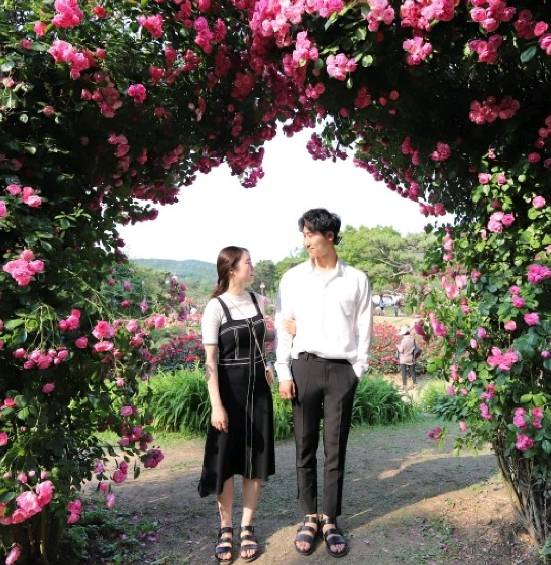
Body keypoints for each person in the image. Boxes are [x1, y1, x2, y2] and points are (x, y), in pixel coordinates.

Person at [275, 209, 373, 558]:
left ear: (329, 236)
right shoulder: (292, 278)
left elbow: (364, 327)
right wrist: (284, 371)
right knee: (304, 446)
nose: (305, 242)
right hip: (304, 367)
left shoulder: (356, 279)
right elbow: (282, 325)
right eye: (303, 235)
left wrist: (357, 370)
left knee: (335, 448)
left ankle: (330, 519)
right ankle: (309, 517)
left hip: (342, 371)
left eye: (310, 235)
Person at [198, 246, 275, 563]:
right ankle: (226, 528)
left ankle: (247, 527)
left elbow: (262, 342)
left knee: (255, 460)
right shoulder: (215, 307)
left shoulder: (257, 300)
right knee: (226, 462)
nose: (252, 266)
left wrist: (269, 364)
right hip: (228, 393)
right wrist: (216, 405)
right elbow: (210, 362)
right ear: (231, 269)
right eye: (248, 262)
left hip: (259, 392)